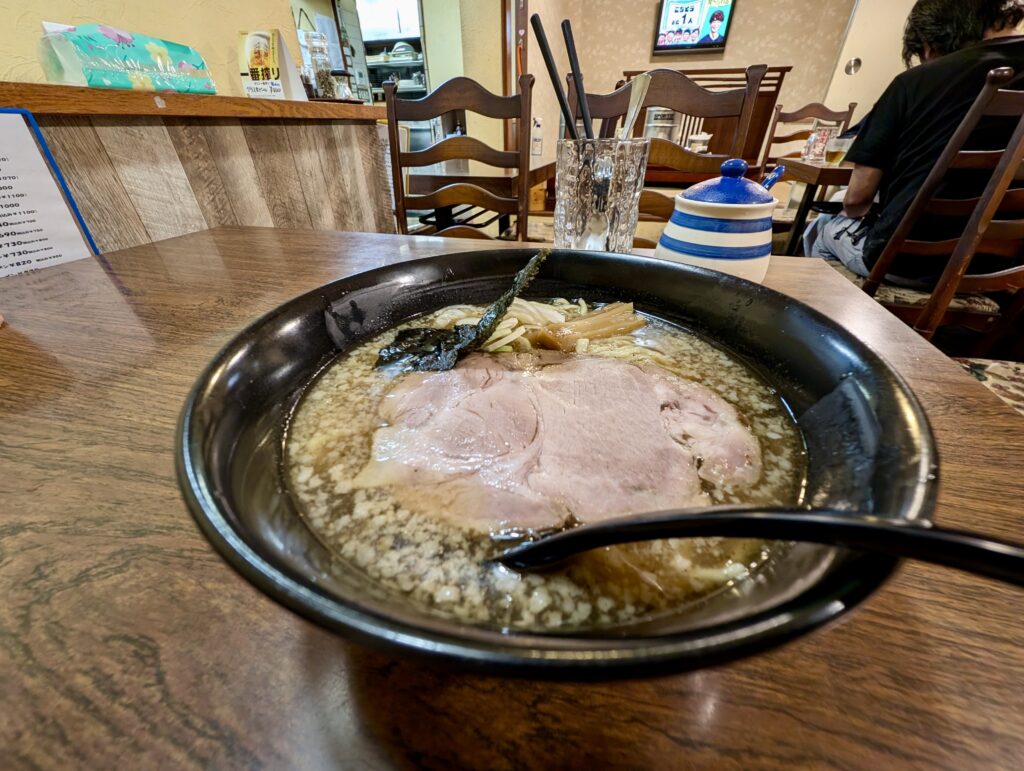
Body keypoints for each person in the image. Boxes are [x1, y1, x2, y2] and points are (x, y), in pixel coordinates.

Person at [806, 0, 1024, 285]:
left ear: (928, 43)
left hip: (907, 263)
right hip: (1003, 267)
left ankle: (831, 326)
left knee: (821, 229)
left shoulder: (914, 82)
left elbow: (857, 199)